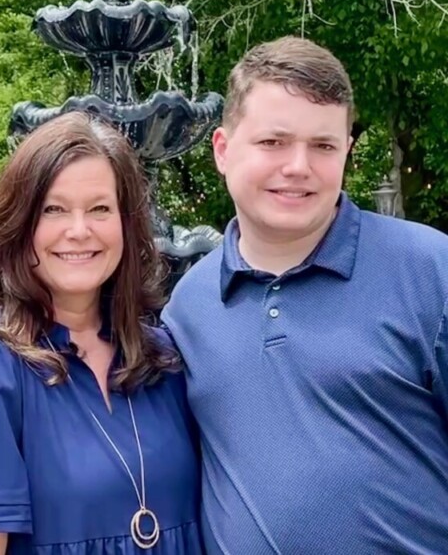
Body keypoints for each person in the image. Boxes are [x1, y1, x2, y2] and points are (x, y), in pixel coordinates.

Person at [162, 36, 448, 554]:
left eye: (323, 146)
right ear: (223, 150)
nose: (298, 166)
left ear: (346, 152)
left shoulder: (430, 271)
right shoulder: (188, 307)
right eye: (274, 142)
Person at [0, 111, 203, 554]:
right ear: (21, 225)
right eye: (54, 209)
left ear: (127, 224)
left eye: (100, 209)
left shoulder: (163, 359)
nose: (79, 231)